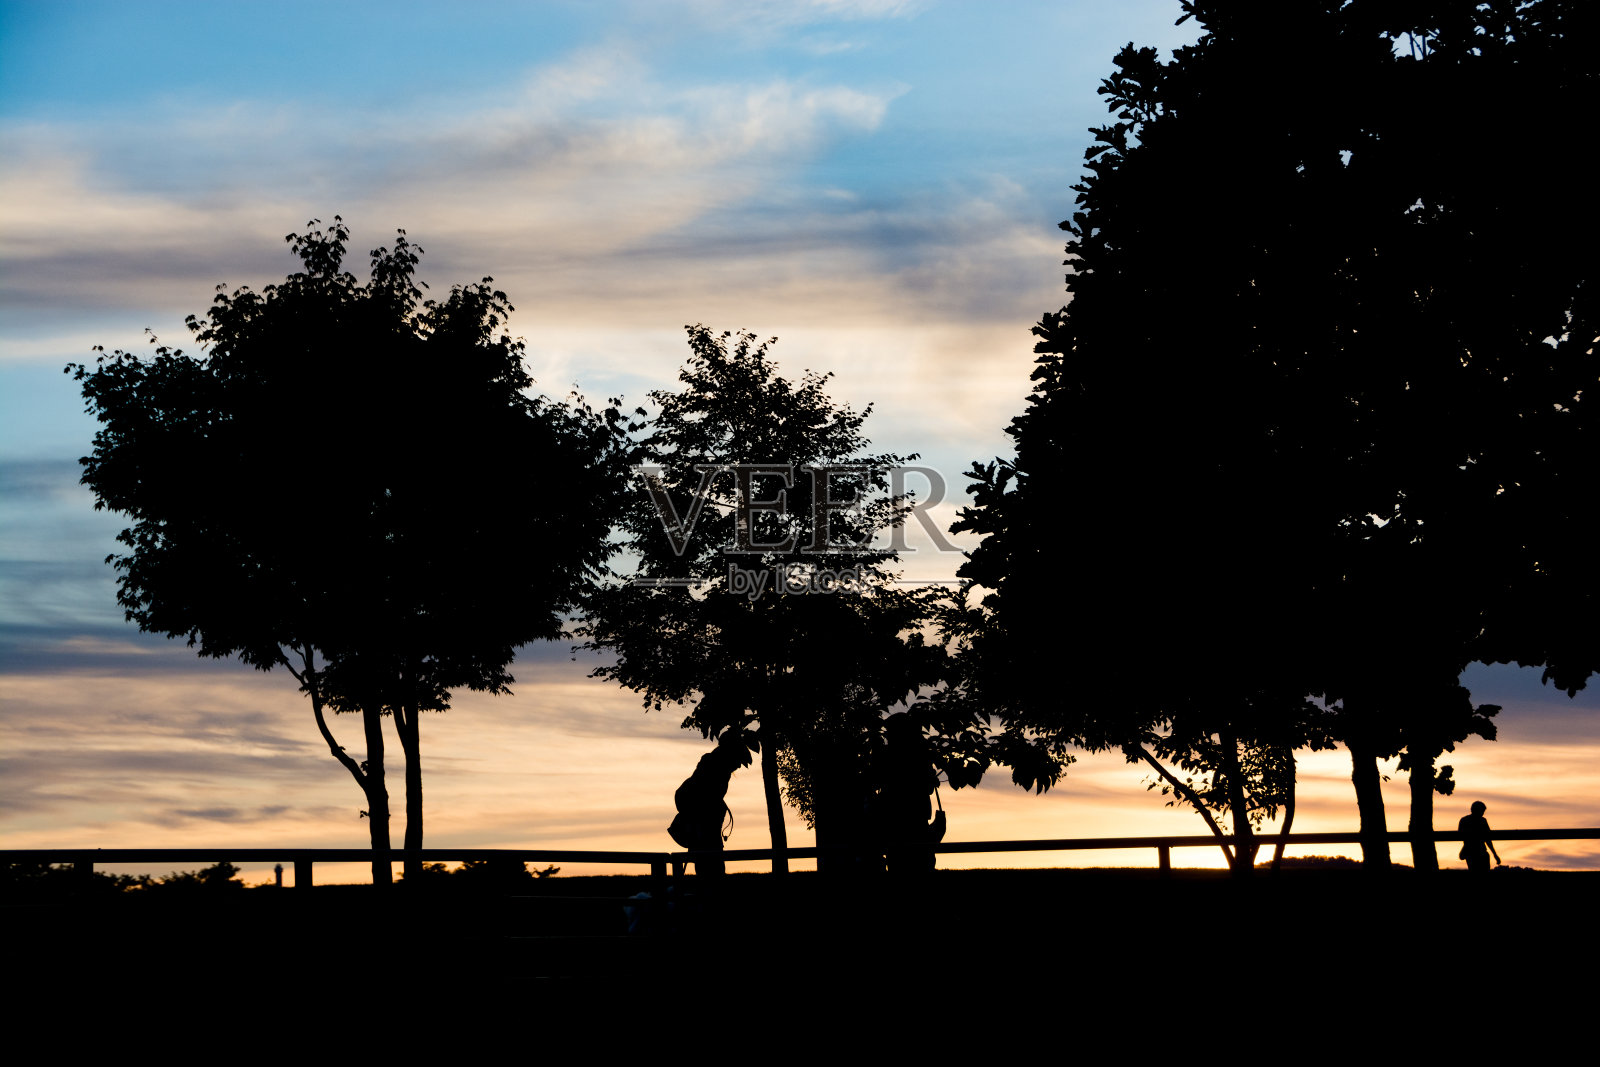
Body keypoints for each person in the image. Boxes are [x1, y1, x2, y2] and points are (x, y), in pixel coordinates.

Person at [667, 731, 750, 876]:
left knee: (709, 861)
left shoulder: (715, 765)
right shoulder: (714, 767)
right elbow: (704, 802)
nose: (738, 767)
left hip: (706, 824)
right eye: (738, 762)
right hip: (703, 825)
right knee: (709, 862)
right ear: (731, 753)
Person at [1458, 800, 1501, 873]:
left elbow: (1460, 835)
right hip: (1481, 852)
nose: (1483, 813)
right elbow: (1488, 839)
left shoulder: (1464, 820)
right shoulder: (1483, 821)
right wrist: (1494, 854)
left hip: (1470, 852)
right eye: (1482, 811)